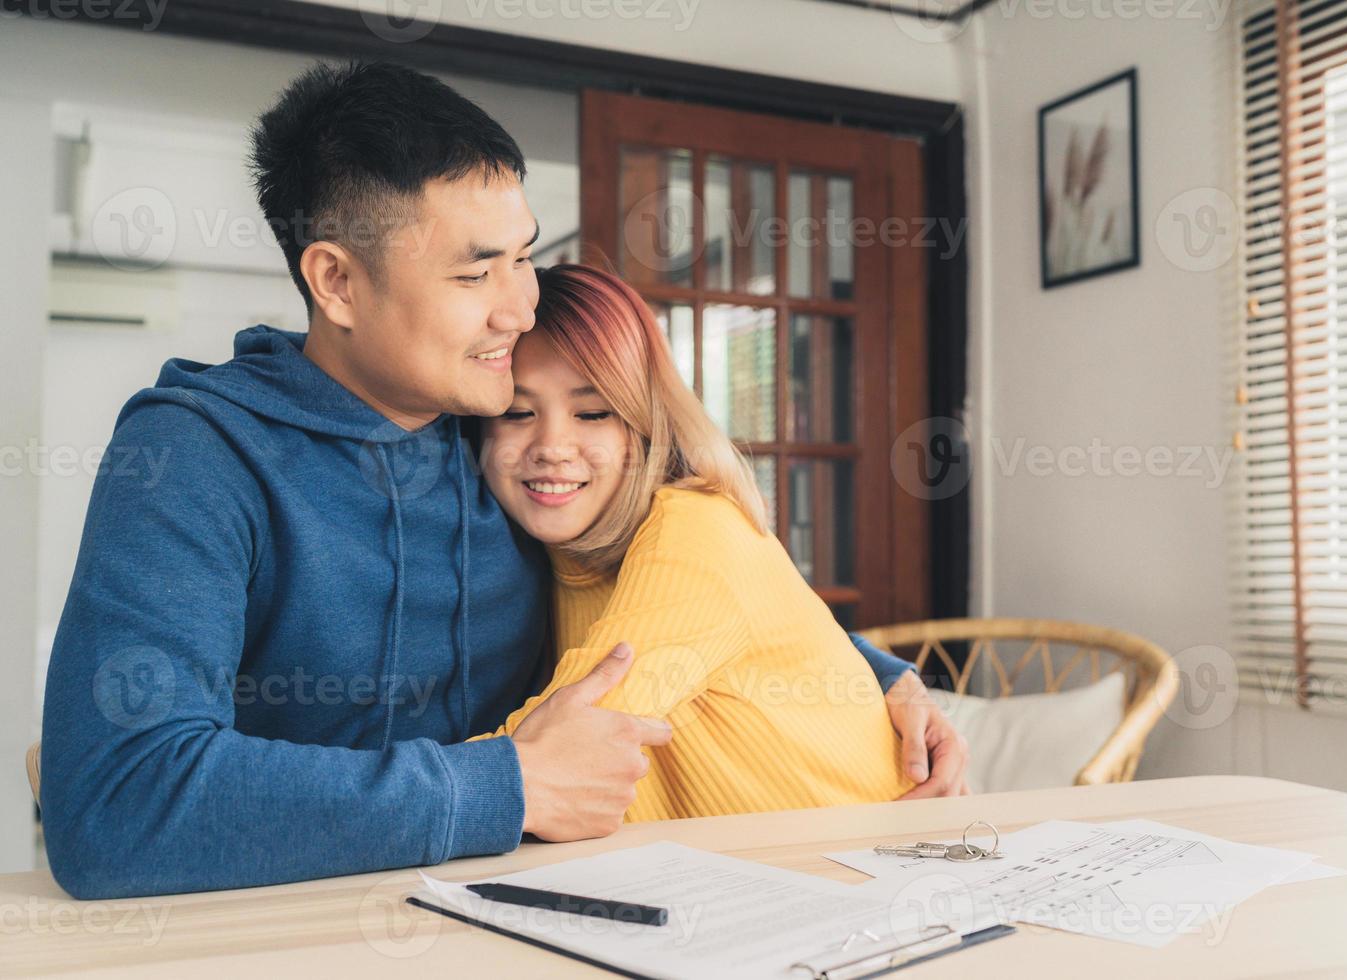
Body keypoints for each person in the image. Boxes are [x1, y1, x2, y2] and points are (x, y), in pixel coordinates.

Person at [38, 60, 966, 900]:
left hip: (512, 911)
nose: (522, 305)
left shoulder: (503, 437)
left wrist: (881, 680)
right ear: (337, 283)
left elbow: (686, 562)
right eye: (478, 271)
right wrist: (509, 782)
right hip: (279, 928)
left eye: (523, 254)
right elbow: (118, 801)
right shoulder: (195, 457)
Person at [469, 264, 922, 817]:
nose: (553, 446)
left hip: (874, 866)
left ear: (644, 426)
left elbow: (555, 755)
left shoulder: (696, 527)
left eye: (592, 412)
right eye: (518, 413)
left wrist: (349, 810)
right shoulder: (542, 553)